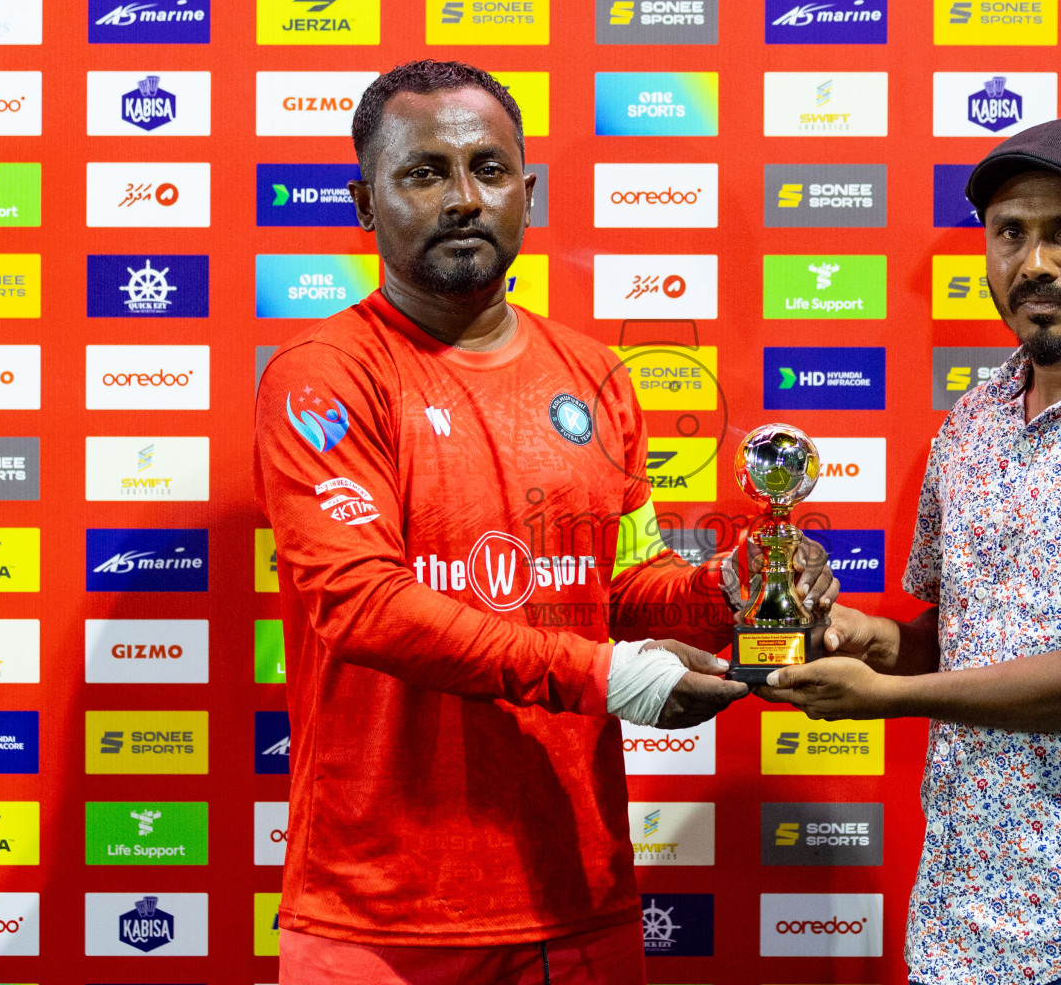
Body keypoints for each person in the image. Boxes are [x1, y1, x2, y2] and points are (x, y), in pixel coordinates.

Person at [253, 60, 837, 985]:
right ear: (364, 203)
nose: (463, 198)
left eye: (488, 170)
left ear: (525, 193)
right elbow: (361, 604)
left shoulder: (596, 375)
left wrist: (732, 587)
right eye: (424, 172)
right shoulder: (324, 373)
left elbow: (622, 590)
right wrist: (608, 677)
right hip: (380, 915)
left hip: (577, 897)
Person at [759, 118, 1061, 985]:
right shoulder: (974, 421)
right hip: (959, 924)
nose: (1033, 263)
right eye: (1010, 234)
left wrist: (892, 697)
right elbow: (954, 640)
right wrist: (852, 635)